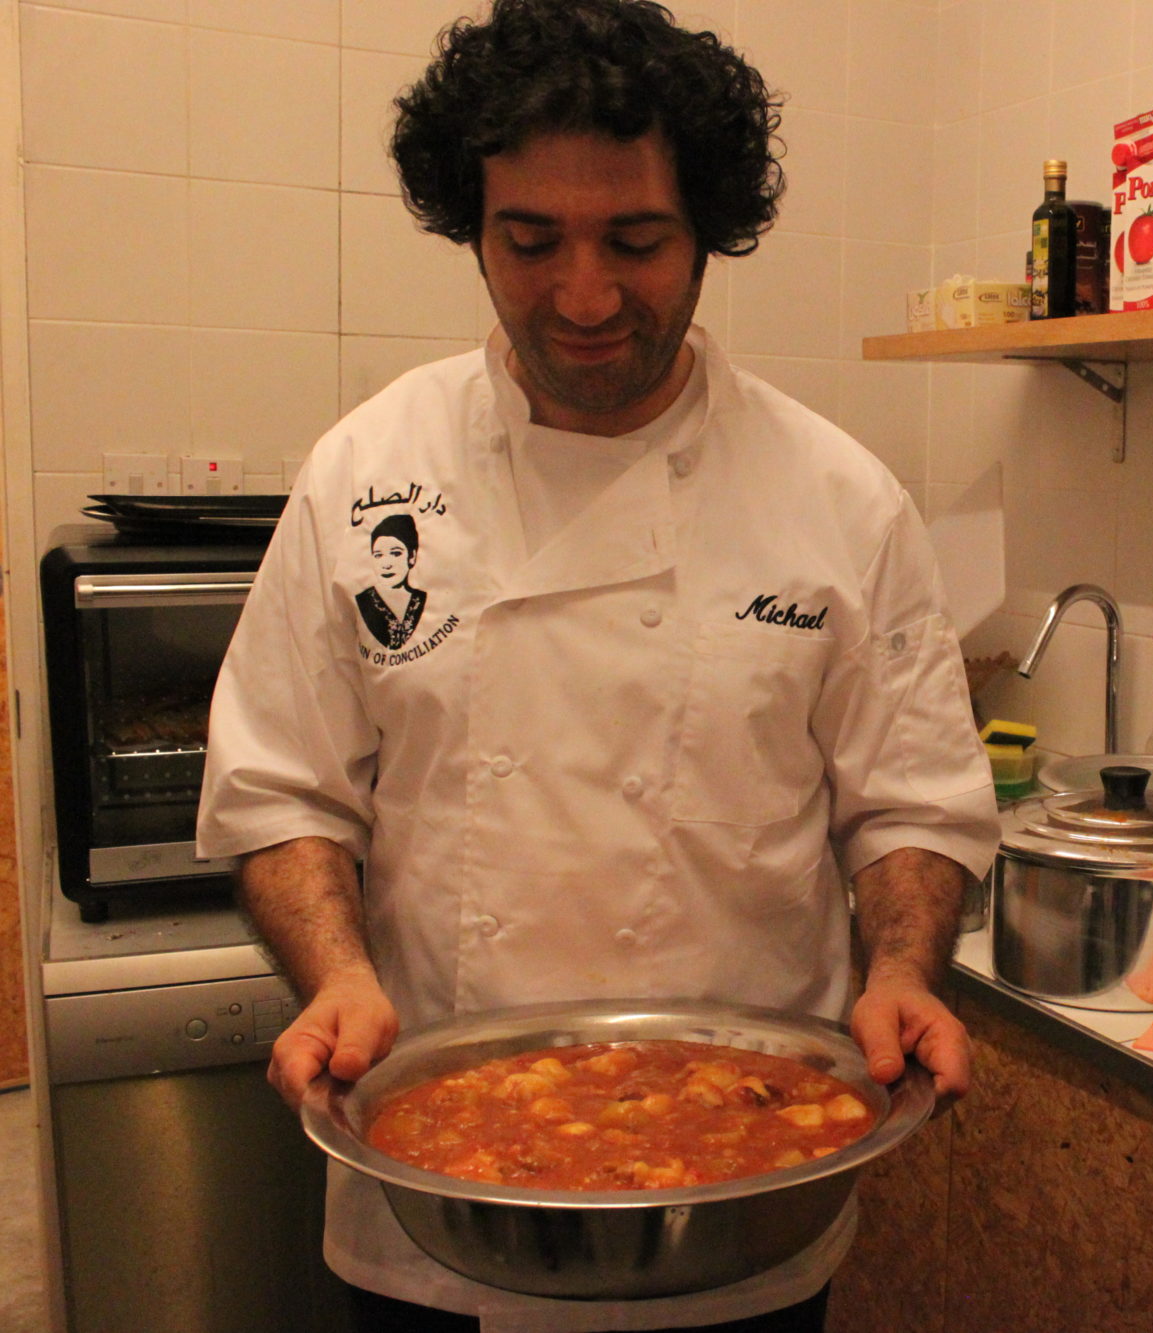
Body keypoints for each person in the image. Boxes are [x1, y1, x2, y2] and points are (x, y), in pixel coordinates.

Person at [194, 3, 999, 1330]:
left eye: (636, 240)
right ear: (471, 224)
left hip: (749, 1193)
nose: (582, 293)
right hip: (433, 1200)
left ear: (713, 231)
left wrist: (903, 969)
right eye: (529, 241)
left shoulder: (841, 501)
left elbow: (909, 803)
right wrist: (334, 977)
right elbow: (281, 793)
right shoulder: (366, 474)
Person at [356, 513, 427, 650]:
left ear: (412, 556)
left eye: (395, 553)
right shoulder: (363, 600)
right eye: (378, 555)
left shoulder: (421, 598)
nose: (386, 564)